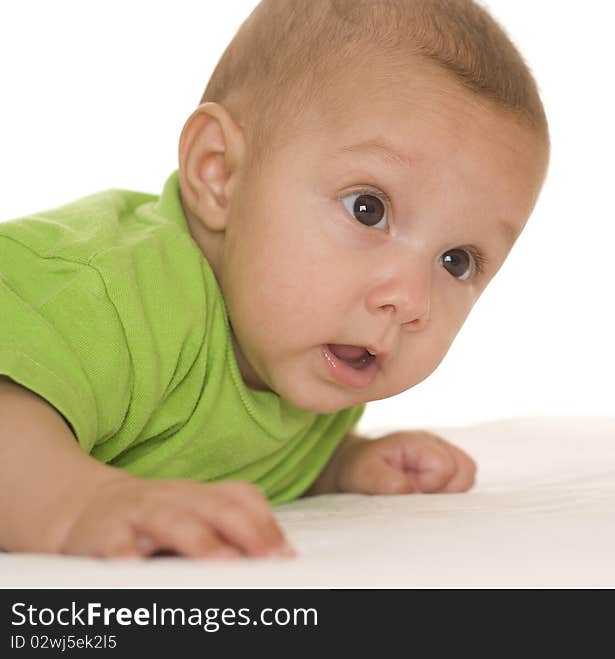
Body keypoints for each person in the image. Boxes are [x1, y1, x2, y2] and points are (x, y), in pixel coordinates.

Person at [0, 0, 549, 559]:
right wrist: (79, 507)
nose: (409, 301)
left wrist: (334, 465)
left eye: (455, 261)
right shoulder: (116, 296)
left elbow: (203, 443)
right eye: (367, 210)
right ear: (220, 174)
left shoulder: (308, 349)